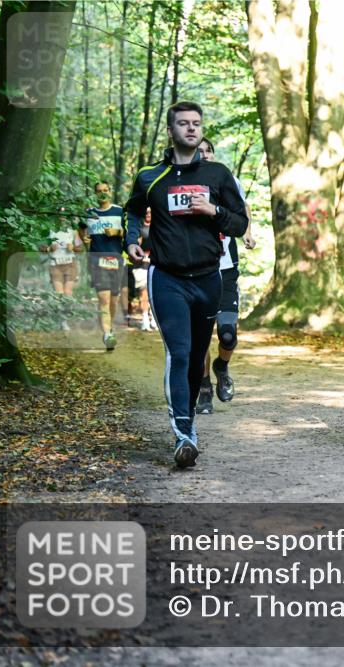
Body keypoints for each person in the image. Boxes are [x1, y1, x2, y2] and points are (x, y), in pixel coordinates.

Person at [124, 101, 248, 468]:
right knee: (178, 353)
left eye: (196, 123)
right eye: (183, 123)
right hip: (167, 278)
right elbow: (133, 210)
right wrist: (131, 240)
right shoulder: (151, 176)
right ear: (170, 130)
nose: (191, 128)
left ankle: (188, 418)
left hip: (208, 278)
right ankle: (183, 434)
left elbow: (240, 223)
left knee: (196, 359)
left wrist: (214, 211)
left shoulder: (218, 174)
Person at [194, 137, 256, 414]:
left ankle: (222, 366)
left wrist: (248, 233)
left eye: (208, 151)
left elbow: (243, 207)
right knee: (201, 337)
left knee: (228, 335)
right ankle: (204, 388)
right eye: (199, 151)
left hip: (226, 268)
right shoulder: (183, 182)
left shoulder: (226, 179)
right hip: (196, 270)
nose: (204, 155)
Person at [82, 182, 127, 350]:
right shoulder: (88, 213)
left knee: (113, 300)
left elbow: (130, 233)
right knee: (104, 299)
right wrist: (85, 240)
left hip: (116, 260)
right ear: (95, 194)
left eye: (105, 190)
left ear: (110, 191)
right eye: (99, 191)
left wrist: (117, 232)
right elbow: (82, 231)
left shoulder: (119, 211)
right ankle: (107, 334)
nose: (102, 193)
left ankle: (109, 327)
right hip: (97, 260)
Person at [130, 208, 155, 331]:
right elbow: (134, 245)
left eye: (150, 212)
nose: (148, 214)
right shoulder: (138, 228)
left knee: (154, 293)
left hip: (156, 263)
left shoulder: (159, 226)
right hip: (141, 265)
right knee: (144, 292)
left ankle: (154, 319)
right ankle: (145, 319)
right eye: (146, 212)